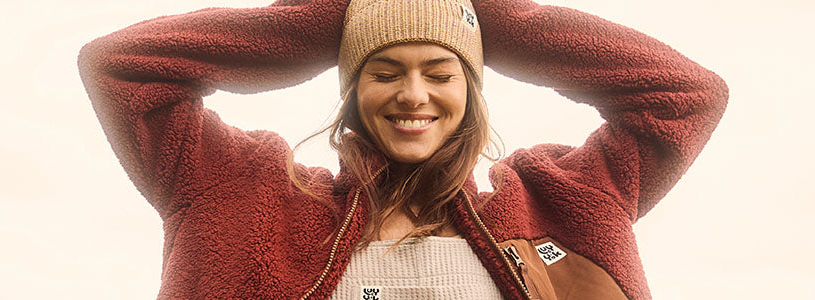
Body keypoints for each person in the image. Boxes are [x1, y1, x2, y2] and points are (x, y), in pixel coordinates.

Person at [78, 0, 727, 298]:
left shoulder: (565, 201)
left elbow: (684, 96)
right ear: (353, 89)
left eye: (440, 73)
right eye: (384, 71)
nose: (413, 94)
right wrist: (329, 18)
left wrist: (483, 13)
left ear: (469, 91)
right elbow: (123, 68)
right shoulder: (242, 195)